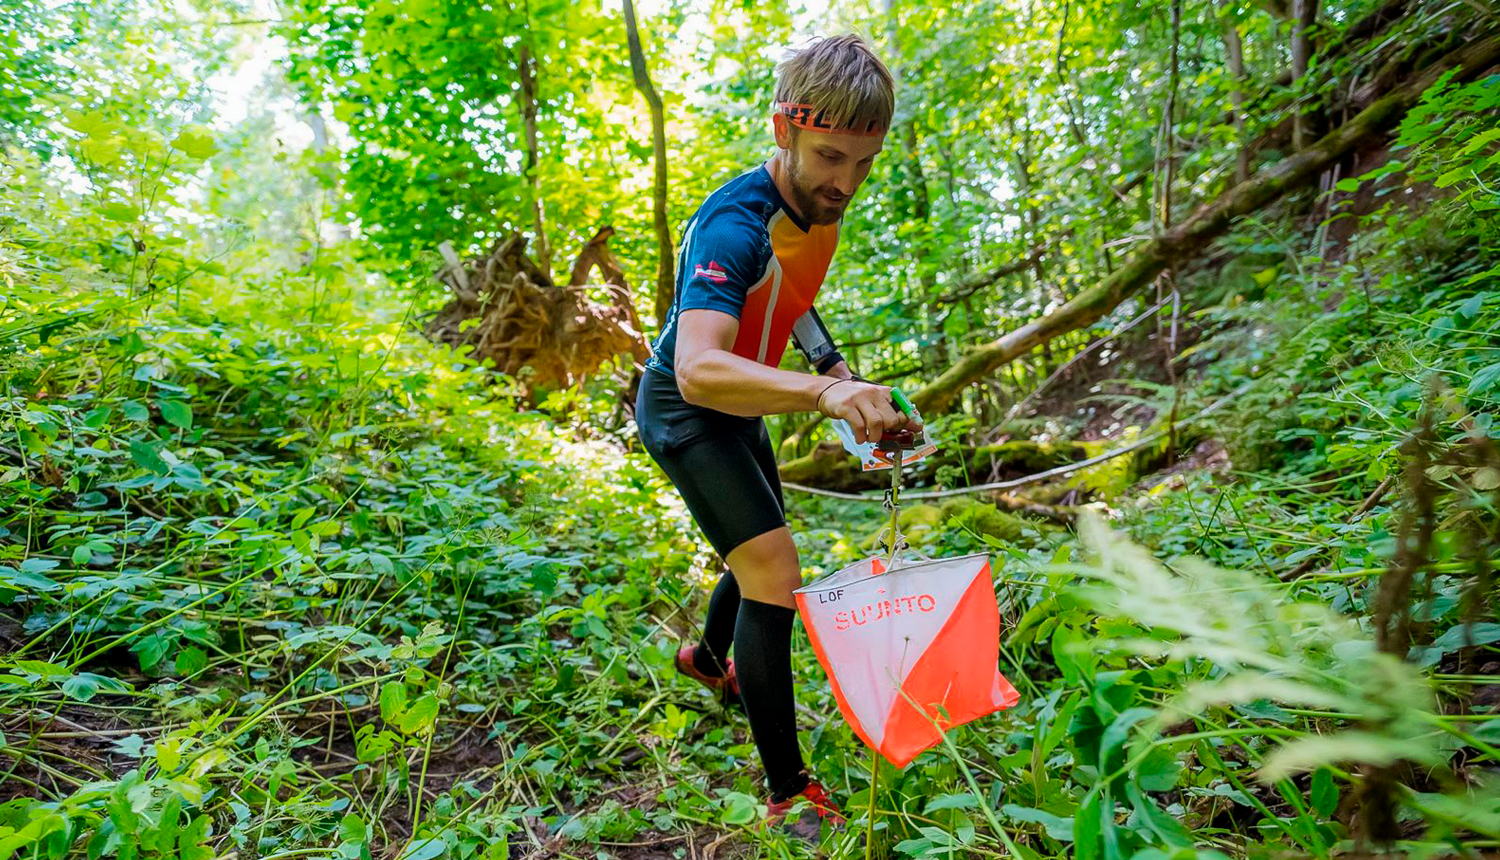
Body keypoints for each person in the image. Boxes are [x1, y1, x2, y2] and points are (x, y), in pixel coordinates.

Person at [634, 33, 919, 841]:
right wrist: (827, 394)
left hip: (744, 405)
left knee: (761, 544)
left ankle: (705, 659)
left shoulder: (815, 207)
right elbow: (698, 369)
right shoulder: (734, 224)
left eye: (865, 163)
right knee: (775, 576)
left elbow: (791, 293)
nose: (846, 183)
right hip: (688, 410)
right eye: (830, 157)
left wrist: (836, 368)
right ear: (783, 129)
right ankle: (789, 792)